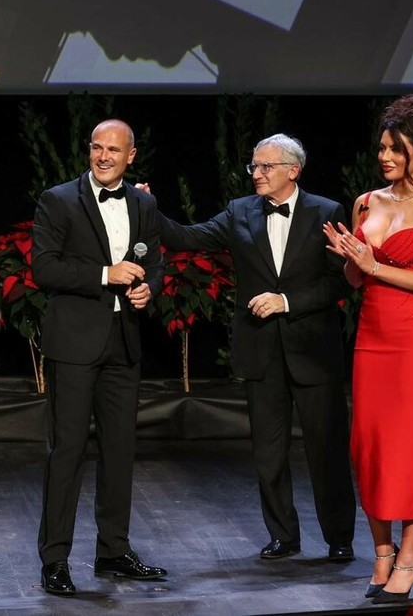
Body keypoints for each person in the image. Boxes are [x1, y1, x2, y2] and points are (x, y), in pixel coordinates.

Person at [153, 133, 357, 562]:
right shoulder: (239, 211)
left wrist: (286, 302)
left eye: (266, 167)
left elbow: (341, 282)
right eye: (254, 166)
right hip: (260, 349)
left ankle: (339, 538)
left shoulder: (326, 211)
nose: (256, 174)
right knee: (268, 451)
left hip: (313, 350)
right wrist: (147, 208)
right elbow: (187, 237)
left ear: (293, 171)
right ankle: (283, 535)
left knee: (327, 450)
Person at [323, 95, 413, 603]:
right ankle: (382, 553)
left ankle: (409, 558)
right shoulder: (365, 202)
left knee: (408, 448)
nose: (385, 157)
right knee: (368, 446)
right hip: (371, 337)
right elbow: (357, 279)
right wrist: (352, 258)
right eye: (381, 147)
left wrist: (374, 264)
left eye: (396, 149)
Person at [31, 118, 166, 597]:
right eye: (96, 147)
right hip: (74, 343)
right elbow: (44, 268)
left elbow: (155, 264)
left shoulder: (144, 203)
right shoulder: (58, 199)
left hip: (123, 342)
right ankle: (55, 560)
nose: (103, 156)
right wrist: (105, 274)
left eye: (113, 149)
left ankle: (113, 550)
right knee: (67, 451)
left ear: (131, 156)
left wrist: (149, 289)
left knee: (119, 451)